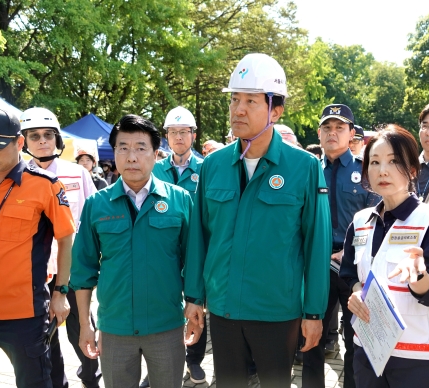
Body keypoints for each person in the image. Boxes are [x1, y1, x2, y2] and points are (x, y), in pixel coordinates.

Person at [183, 53, 331, 388]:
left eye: (250, 100)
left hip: (277, 312)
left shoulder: (304, 167)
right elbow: (199, 239)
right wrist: (193, 296)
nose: (238, 109)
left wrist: (313, 313)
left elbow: (316, 246)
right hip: (223, 310)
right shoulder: (212, 166)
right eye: (235, 99)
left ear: (275, 110)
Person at [71, 114, 197, 388]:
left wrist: (195, 307)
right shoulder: (96, 204)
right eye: (123, 148)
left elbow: (194, 261)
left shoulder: (180, 200)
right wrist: (84, 324)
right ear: (114, 153)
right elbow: (82, 270)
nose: (131, 157)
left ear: (156, 154)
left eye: (141, 148)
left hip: (166, 325)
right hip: (116, 328)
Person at [340, 124, 429, 387]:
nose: (382, 170)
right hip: (369, 350)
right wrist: (358, 290)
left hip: (418, 357)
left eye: (394, 161)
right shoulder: (361, 221)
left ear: (413, 170)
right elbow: (349, 272)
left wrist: (418, 275)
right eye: (374, 162)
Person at [0, 106, 75, 387]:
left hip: (23, 315)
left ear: (19, 143)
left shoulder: (45, 185)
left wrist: (60, 291)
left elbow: (65, 238)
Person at [20, 107, 101, 388]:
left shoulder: (78, 173)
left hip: (75, 268)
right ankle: (57, 382)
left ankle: (91, 376)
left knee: (81, 328)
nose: (42, 141)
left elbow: (94, 219)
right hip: (35, 270)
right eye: (34, 136)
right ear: (24, 142)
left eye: (47, 135)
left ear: (57, 139)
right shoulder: (17, 178)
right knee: (44, 335)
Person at [303, 104, 378, 388]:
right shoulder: (307, 170)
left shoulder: (366, 170)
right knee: (311, 336)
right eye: (327, 128)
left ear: (351, 134)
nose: (332, 133)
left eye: (339, 128)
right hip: (315, 266)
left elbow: (375, 219)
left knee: (355, 335)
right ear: (320, 133)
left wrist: (349, 250)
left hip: (353, 266)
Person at [151, 105, 206, 385]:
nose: (179, 137)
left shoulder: (206, 168)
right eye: (173, 132)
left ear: (193, 136)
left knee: (196, 302)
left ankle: (194, 360)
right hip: (164, 248)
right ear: (167, 137)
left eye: (184, 132)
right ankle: (155, 363)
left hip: (197, 248)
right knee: (161, 302)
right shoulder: (155, 169)